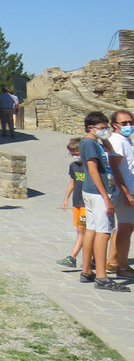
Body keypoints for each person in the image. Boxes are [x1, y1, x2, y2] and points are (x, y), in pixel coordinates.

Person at [79, 111, 128, 291]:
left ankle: (86, 270)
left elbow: (110, 151)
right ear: (90, 128)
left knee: (92, 229)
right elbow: (93, 170)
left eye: (107, 128)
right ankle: (101, 275)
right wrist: (106, 198)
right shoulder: (90, 144)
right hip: (98, 193)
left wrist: (105, 138)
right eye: (101, 128)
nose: (105, 131)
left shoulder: (95, 143)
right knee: (104, 231)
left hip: (92, 192)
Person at [106, 109, 134, 279]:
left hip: (129, 188)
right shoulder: (117, 141)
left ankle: (113, 260)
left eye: (130, 122)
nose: (128, 126)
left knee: (125, 227)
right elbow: (115, 169)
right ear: (115, 125)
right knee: (126, 228)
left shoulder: (126, 140)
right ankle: (122, 267)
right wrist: (126, 193)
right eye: (124, 123)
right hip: (123, 191)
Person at [57, 138, 87, 268]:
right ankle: (90, 257)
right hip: (77, 201)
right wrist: (66, 199)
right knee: (80, 230)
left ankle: (73, 257)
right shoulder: (73, 166)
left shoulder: (89, 165)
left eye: (76, 153)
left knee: (82, 230)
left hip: (86, 202)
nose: (75, 156)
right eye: (72, 154)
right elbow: (72, 183)